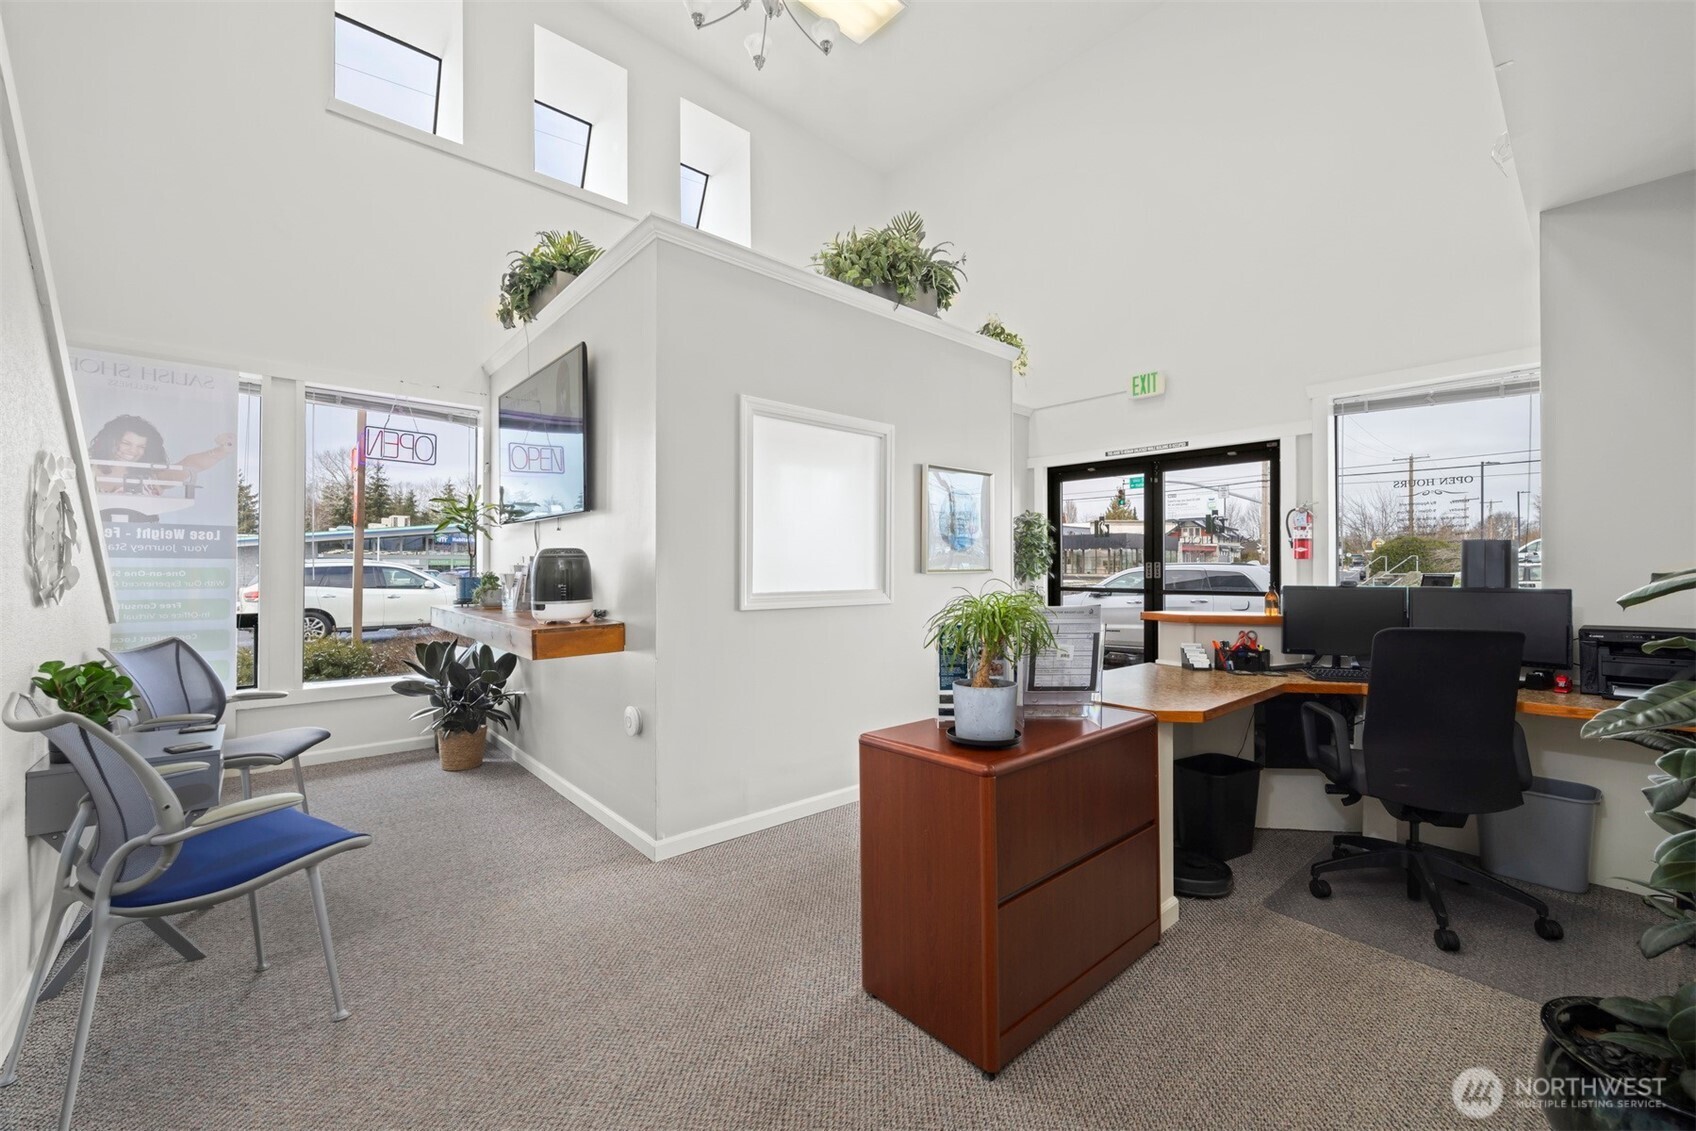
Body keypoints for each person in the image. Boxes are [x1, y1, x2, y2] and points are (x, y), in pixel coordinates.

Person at [88, 414, 233, 496]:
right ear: (110, 440)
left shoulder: (152, 478)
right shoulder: (86, 467)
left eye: (141, 446)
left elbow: (191, 464)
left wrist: (222, 451)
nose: (132, 451)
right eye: (126, 443)